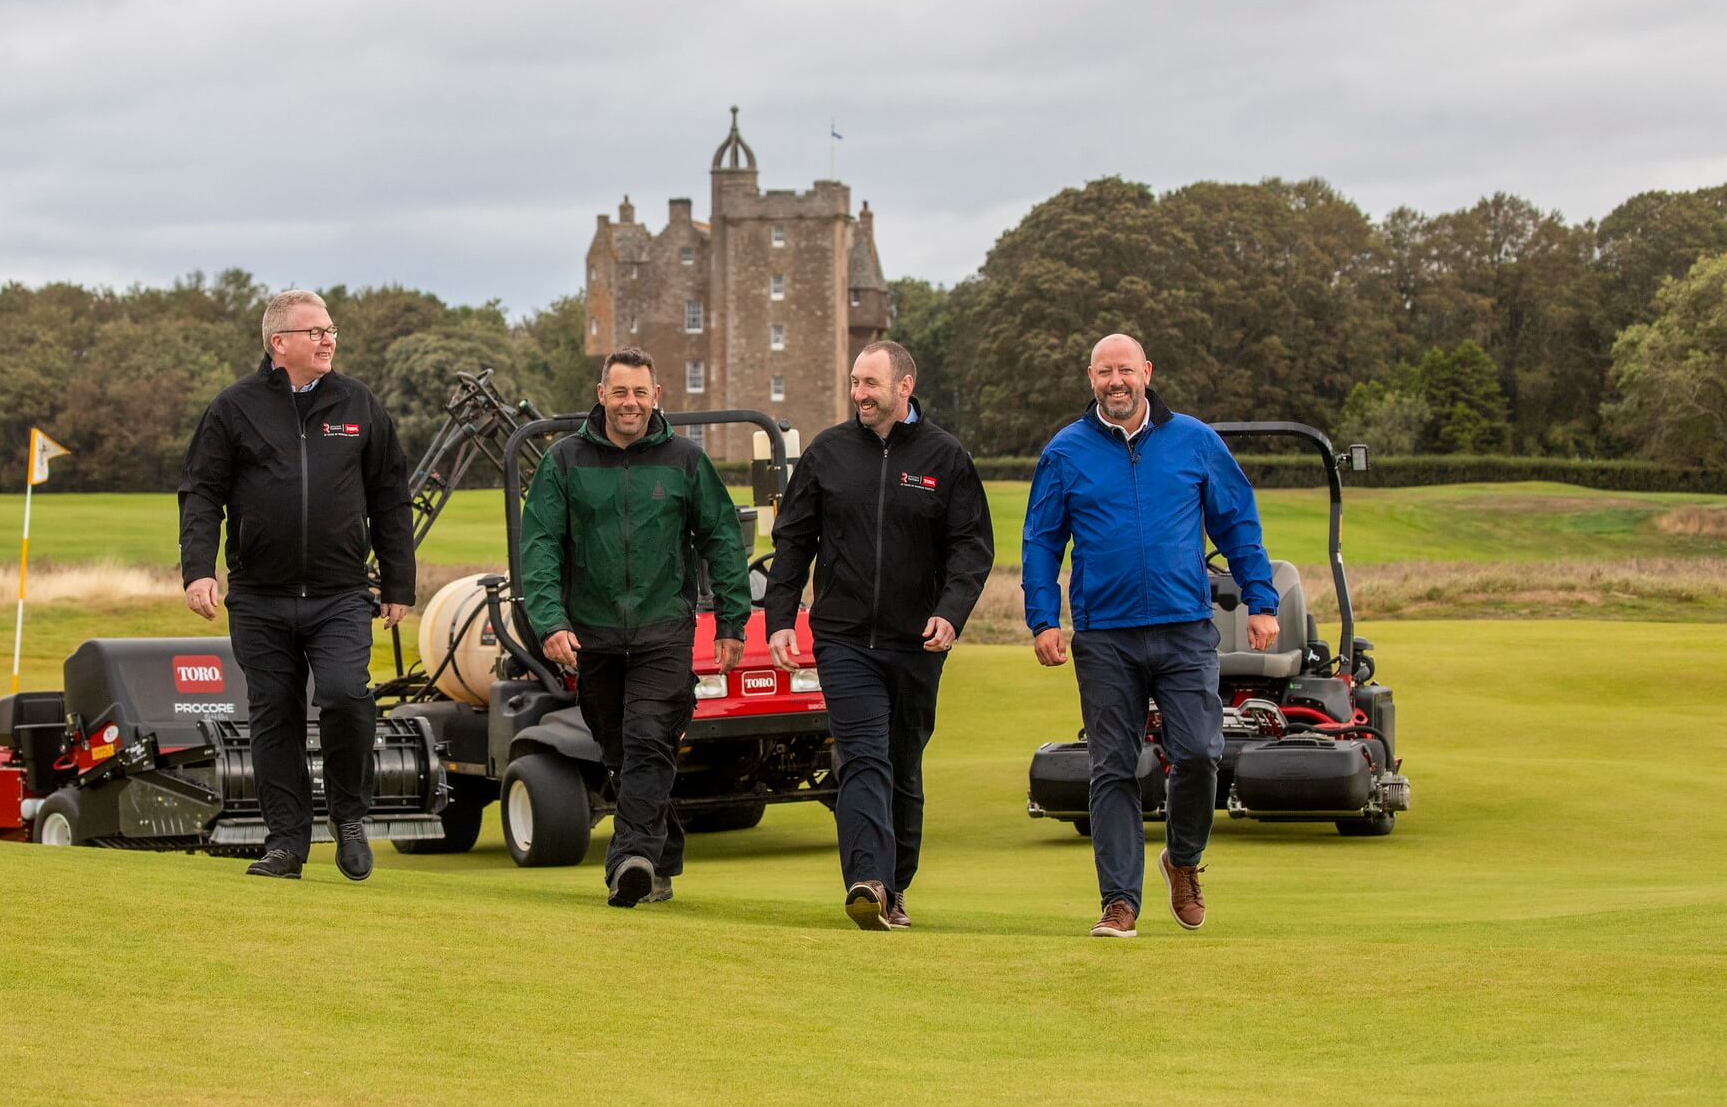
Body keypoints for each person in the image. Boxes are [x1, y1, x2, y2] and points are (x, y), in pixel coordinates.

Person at [1022, 332, 1279, 937]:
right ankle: (1119, 902)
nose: (1116, 382)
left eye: (1126, 371)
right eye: (1105, 372)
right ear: (1091, 378)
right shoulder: (1065, 451)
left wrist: (1261, 601)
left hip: (1185, 629)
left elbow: (1238, 522)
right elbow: (1041, 542)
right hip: (1105, 636)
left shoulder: (1194, 440)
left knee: (1198, 753)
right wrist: (1042, 617)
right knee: (1112, 765)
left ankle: (1182, 859)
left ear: (1147, 372)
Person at [178, 289, 415, 882]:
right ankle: (286, 844)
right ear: (278, 343)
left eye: (331, 329)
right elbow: (202, 493)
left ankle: (350, 817)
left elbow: (390, 497)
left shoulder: (359, 404)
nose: (328, 339)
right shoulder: (234, 408)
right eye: (315, 332)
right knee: (275, 716)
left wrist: (398, 584)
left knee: (343, 696)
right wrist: (199, 570)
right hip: (259, 596)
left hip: (339, 594)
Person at [764, 340, 994, 930]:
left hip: (917, 642)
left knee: (902, 764)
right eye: (855, 383)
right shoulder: (828, 453)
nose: (860, 394)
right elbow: (793, 540)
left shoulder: (946, 457)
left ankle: (896, 884)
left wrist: (951, 611)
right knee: (863, 757)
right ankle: (867, 880)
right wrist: (781, 618)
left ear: (904, 386)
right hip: (841, 639)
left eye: (871, 383)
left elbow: (971, 548)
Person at [519, 348, 751, 907]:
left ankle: (630, 860)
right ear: (602, 395)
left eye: (640, 393)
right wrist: (549, 622)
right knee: (622, 750)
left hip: (664, 630)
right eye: (620, 392)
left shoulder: (686, 461)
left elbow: (721, 538)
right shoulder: (565, 461)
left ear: (657, 395)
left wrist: (731, 619)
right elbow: (540, 545)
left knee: (649, 737)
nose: (630, 403)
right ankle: (662, 855)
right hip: (591, 635)